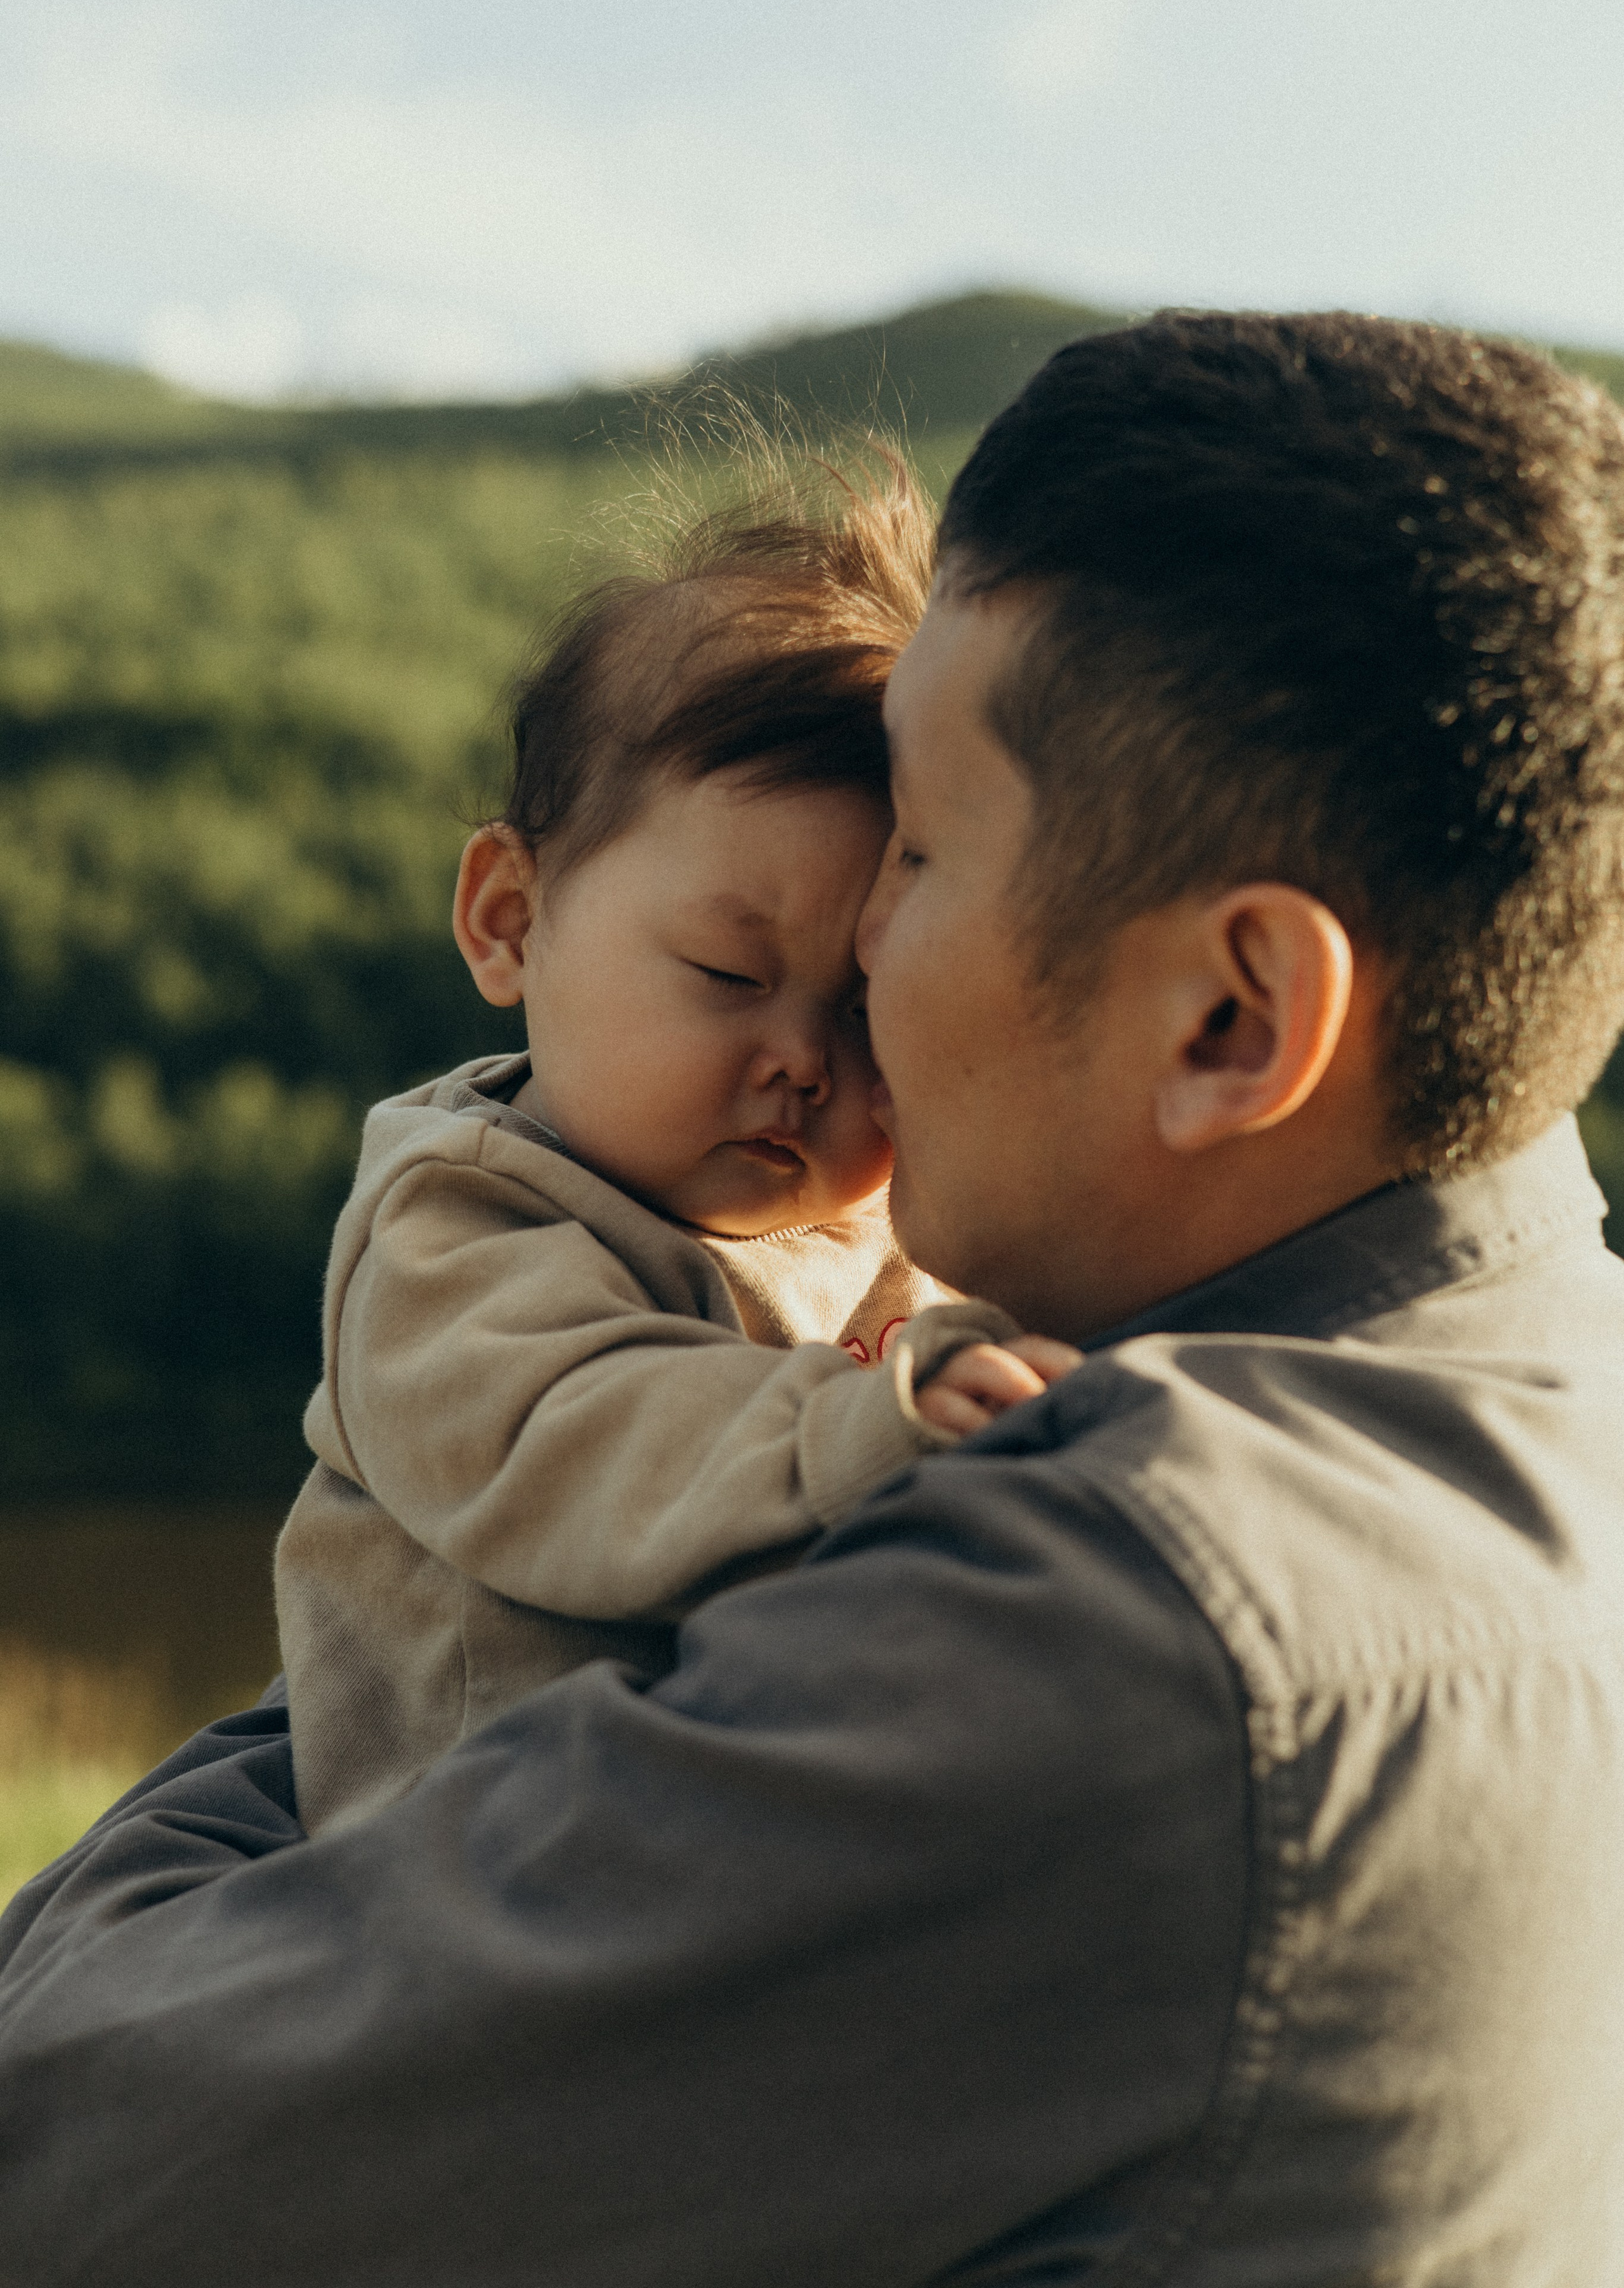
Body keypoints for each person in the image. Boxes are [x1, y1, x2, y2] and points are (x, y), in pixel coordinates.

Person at [4, 310, 1624, 2287]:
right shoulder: (1543, 1406)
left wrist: (203, 1825)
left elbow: (81, 2154)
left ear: (1234, 1014)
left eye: (919, 859)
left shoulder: (1105, 1636)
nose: (858, 961)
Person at [277, 471, 1063, 1834]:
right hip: (470, 1885)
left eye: (869, 1009)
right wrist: (869, 1429)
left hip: (721, 1835)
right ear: (510, 920)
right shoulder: (456, 1226)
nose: (804, 1059)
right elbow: (583, 1443)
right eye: (723, 971)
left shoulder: (895, 1228)